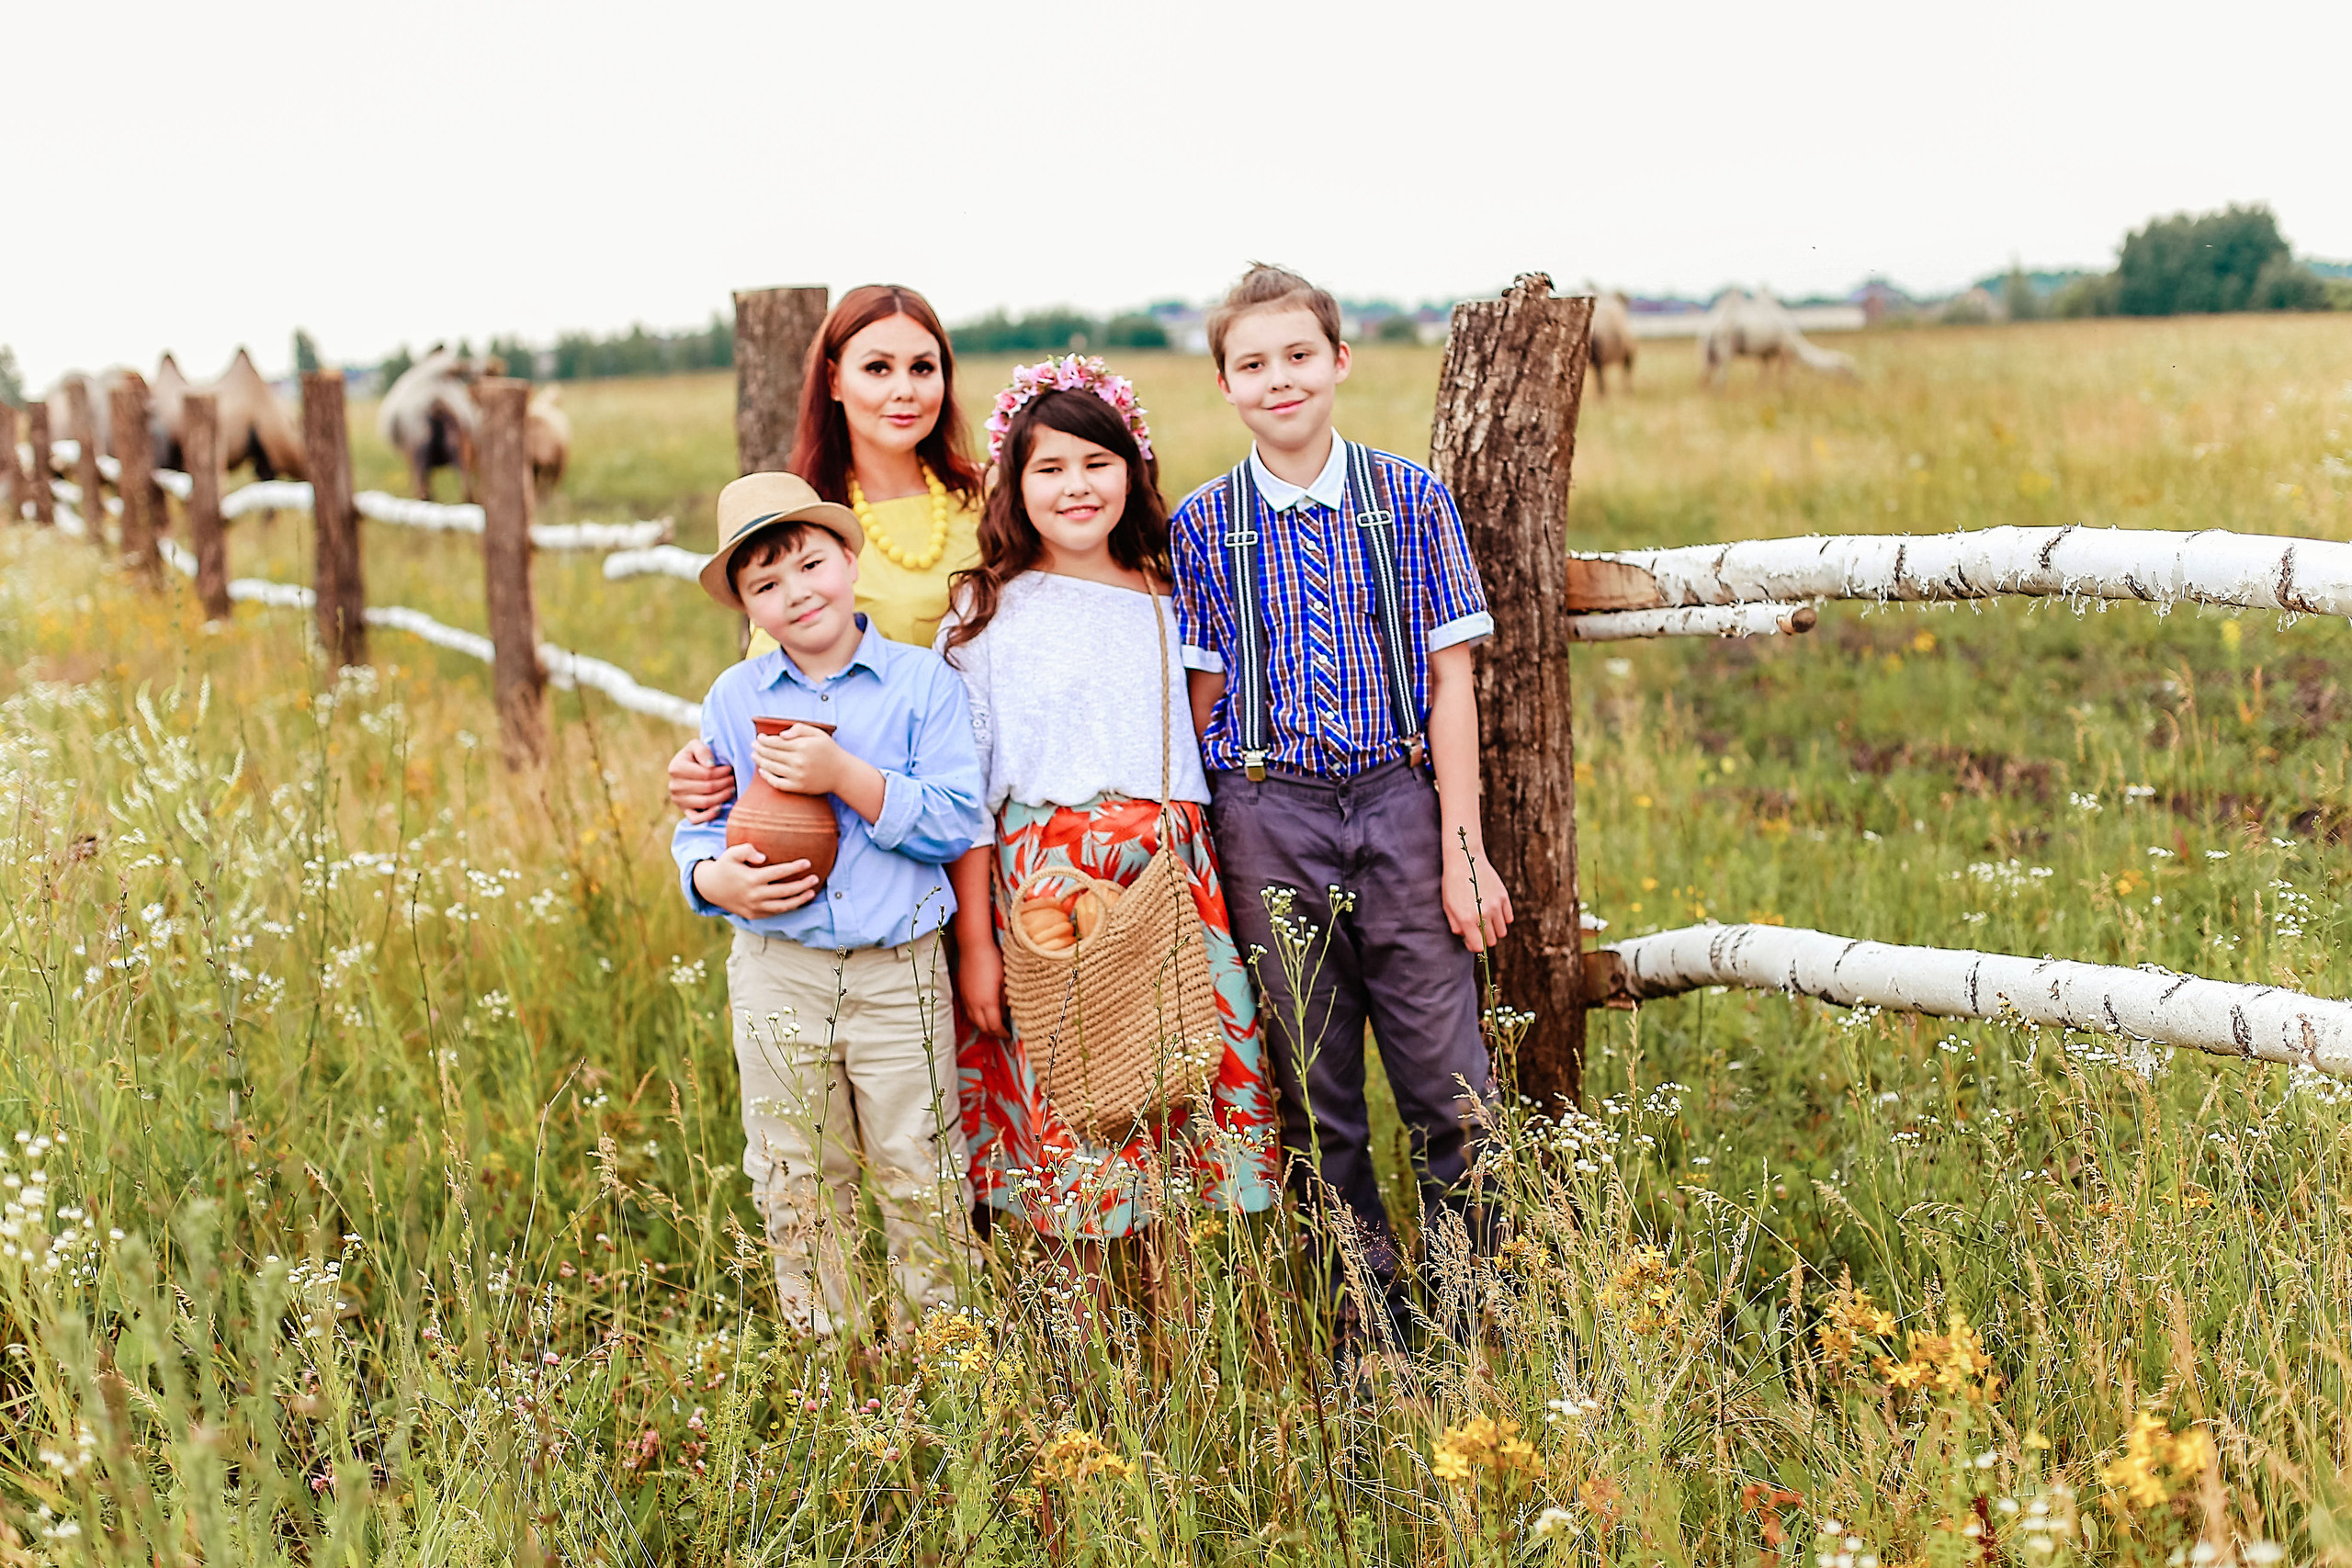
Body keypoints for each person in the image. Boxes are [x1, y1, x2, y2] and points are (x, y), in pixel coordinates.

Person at [1167, 265, 1512, 1353]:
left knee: (1446, 1076)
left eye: (1298, 357)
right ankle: (1368, 1321)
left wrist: (1463, 850)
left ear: (1339, 362)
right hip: (1269, 811)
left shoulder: (1407, 499)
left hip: (1400, 801)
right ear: (1224, 383)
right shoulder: (1203, 526)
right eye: (1253, 364)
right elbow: (1200, 703)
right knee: (1315, 1086)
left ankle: (1471, 1314)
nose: (1280, 381)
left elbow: (1452, 682)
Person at [938, 357, 1279, 1274]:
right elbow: (968, 799)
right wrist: (978, 942)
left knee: (1175, 1078)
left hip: (1170, 874)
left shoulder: (1175, 593)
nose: (1075, 486)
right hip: (1046, 885)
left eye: (1096, 462)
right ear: (1013, 482)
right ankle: (1087, 1335)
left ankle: (1187, 1316)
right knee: (1077, 1100)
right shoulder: (983, 612)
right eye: (1047, 468)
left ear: (1132, 467)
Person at [672, 470, 988, 1336]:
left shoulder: (923, 684)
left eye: (810, 565)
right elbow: (703, 824)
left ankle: (947, 1361)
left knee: (918, 1164)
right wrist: (711, 880)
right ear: (745, 606)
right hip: (779, 970)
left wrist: (847, 777)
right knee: (796, 1169)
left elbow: (959, 816)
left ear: (849, 559)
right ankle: (832, 1368)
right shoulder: (736, 699)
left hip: (900, 972)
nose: (794, 592)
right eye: (764, 585)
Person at [670, 284, 988, 819]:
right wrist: (707, 765)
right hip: (866, 810)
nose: (905, 390)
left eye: (923, 368)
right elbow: (770, 686)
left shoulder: (993, 499)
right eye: (879, 368)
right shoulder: (804, 527)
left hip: (994, 799)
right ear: (835, 380)